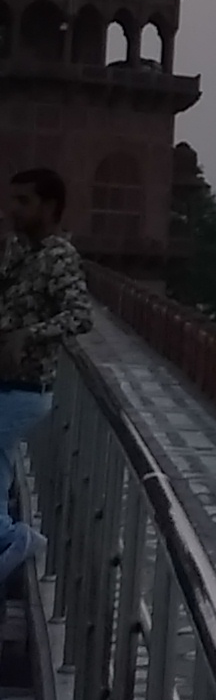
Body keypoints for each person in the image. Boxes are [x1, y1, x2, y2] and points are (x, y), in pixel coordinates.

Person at [0, 168, 93, 592]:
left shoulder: (58, 256)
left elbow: (79, 315)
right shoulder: (21, 251)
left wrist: (28, 334)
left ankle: (17, 540)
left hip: (25, 389)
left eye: (23, 202)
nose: (13, 210)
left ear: (49, 207)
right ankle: (11, 539)